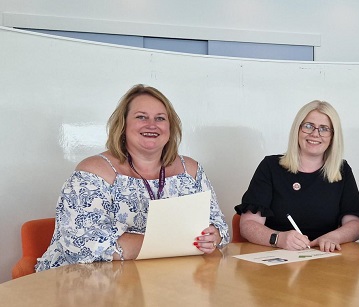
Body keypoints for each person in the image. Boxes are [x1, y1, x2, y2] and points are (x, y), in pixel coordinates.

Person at [36, 84, 229, 271]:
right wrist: (170, 243)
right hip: (91, 283)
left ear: (170, 128)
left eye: (160, 118)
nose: (152, 125)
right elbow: (82, 244)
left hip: (166, 277)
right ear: (123, 125)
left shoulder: (191, 170)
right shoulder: (93, 171)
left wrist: (215, 235)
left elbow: (219, 224)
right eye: (141, 117)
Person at [235, 100, 359, 252]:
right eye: (308, 126)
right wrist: (278, 238)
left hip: (325, 258)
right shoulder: (270, 166)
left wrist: (335, 237)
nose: (315, 134)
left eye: (324, 129)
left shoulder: (342, 170)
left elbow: (356, 224)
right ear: (297, 130)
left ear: (333, 136)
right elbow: (248, 225)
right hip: (276, 256)